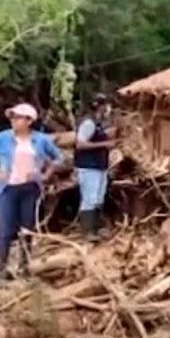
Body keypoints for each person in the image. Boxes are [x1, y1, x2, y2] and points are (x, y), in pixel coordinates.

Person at [0, 103, 63, 283]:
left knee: (27, 229)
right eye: (13, 117)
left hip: (30, 188)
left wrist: (45, 174)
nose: (15, 121)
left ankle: (24, 268)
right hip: (8, 188)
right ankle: (1, 270)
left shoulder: (40, 140)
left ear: (29, 121)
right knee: (6, 229)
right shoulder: (3, 138)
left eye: (19, 118)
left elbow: (58, 157)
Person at [74, 94, 116, 240]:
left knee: (98, 197)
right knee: (89, 198)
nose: (107, 109)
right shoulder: (88, 124)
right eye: (105, 106)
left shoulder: (98, 124)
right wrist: (104, 144)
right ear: (100, 106)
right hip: (88, 166)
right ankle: (88, 231)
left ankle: (96, 228)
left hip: (99, 166)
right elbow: (80, 144)